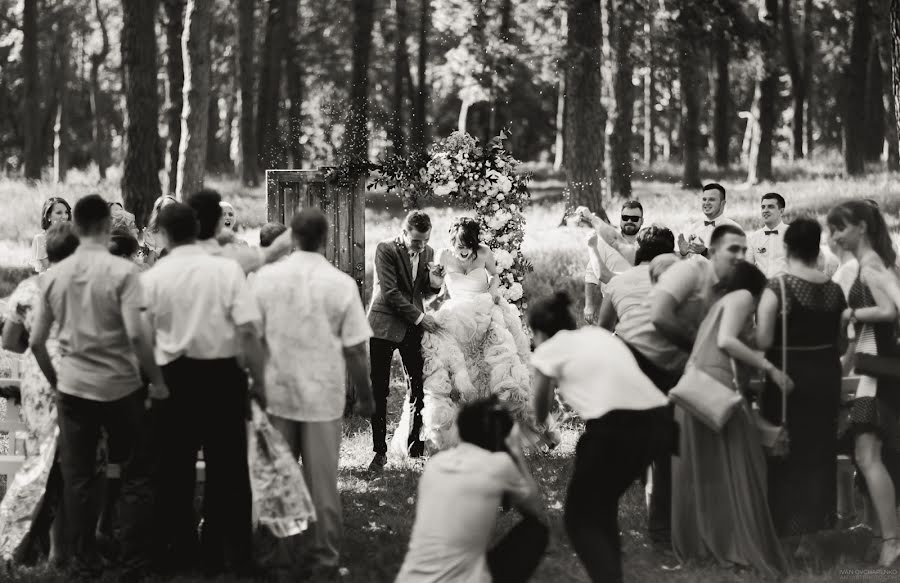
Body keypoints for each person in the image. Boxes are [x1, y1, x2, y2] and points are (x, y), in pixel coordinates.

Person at [29, 194, 165, 580]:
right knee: (138, 469)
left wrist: (58, 383)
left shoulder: (53, 276)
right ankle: (133, 554)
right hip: (122, 387)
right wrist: (156, 381)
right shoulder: (125, 273)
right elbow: (139, 336)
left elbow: (38, 341)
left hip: (73, 389)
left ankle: (82, 558)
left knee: (80, 475)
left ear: (76, 227)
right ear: (107, 227)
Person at [141, 202, 264, 576]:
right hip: (222, 378)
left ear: (163, 234)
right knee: (228, 472)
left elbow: (140, 335)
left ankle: (176, 551)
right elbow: (248, 331)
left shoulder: (155, 276)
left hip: (174, 378)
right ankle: (227, 553)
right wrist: (257, 381)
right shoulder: (226, 270)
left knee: (172, 470)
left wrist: (156, 381)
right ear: (196, 230)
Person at [252, 208, 375, 577]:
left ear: (292, 236)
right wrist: (366, 396)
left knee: (277, 478)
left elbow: (251, 336)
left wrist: (256, 383)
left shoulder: (266, 279)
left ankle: (277, 555)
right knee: (323, 484)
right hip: (322, 395)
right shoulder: (340, 284)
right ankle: (323, 558)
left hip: (276, 391)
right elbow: (355, 349)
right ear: (325, 237)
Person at [529, 292, 671, 583]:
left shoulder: (549, 348)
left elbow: (539, 409)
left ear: (539, 332)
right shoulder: (599, 335)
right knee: (601, 504)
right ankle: (612, 572)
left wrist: (548, 420)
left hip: (613, 428)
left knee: (579, 518)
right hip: (658, 422)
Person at [392, 217, 558, 456]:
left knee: (499, 372)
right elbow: (434, 288)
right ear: (452, 243)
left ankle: (511, 434)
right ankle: (453, 437)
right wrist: (436, 282)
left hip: (485, 315)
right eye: (459, 246)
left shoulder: (485, 253)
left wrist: (490, 295)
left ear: (474, 243)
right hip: (457, 318)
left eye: (467, 246)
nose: (463, 251)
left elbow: (495, 276)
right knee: (453, 373)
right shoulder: (443, 256)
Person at [671, 262, 790, 578]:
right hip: (716, 387)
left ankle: (705, 541)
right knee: (742, 465)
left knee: (708, 469)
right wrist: (771, 369)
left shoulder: (720, 303)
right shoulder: (742, 297)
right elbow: (726, 341)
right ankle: (735, 541)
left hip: (699, 385)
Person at [755, 218, 848, 547]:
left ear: (787, 246)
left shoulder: (778, 287)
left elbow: (763, 338)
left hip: (788, 378)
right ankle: (814, 531)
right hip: (825, 376)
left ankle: (784, 534)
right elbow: (842, 344)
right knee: (819, 450)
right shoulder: (834, 289)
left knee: (784, 449)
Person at [396, 397, 548, 583]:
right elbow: (534, 508)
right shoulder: (499, 465)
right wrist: (515, 450)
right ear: (501, 437)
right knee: (535, 531)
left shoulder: (435, 464)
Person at [0, 222, 79, 564]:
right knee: (69, 467)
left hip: (36, 380)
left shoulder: (30, 287)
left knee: (37, 464)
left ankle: (14, 547)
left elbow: (9, 341)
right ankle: (59, 552)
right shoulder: (81, 287)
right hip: (76, 378)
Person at [827, 200, 900, 567]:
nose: (836, 235)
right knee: (873, 455)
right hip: (873, 369)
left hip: (881, 374)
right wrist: (845, 360)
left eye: (840, 227)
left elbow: (891, 310)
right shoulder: (871, 263)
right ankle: (884, 535)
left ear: (860, 227)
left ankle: (890, 540)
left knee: (867, 455)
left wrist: (849, 312)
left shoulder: (871, 266)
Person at [595, 225, 678, 546]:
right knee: (665, 449)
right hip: (670, 362)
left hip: (630, 365)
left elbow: (603, 330)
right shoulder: (676, 277)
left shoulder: (618, 281)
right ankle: (660, 531)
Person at [368, 210, 443, 470]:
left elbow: (421, 293)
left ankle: (414, 449)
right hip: (384, 326)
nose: (421, 246)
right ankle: (379, 451)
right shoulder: (385, 249)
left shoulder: (429, 252)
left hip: (411, 328)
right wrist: (421, 319)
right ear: (404, 232)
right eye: (416, 241)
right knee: (380, 389)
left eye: (425, 240)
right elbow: (390, 293)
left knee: (418, 388)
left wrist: (435, 284)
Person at [650, 224, 748, 353]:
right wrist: (698, 346)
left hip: (671, 364)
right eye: (733, 249)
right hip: (638, 354)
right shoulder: (691, 270)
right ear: (713, 252)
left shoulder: (728, 289)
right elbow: (659, 316)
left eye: (744, 251)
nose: (740, 256)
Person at [187, 189, 292, 275]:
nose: (227, 218)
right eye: (223, 215)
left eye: (231, 214)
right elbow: (269, 253)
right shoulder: (236, 257)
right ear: (218, 223)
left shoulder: (178, 257)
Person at [583, 201, 643, 324]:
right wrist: (589, 305)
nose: (629, 221)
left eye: (635, 218)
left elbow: (603, 275)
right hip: (612, 304)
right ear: (620, 219)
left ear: (642, 220)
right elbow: (591, 274)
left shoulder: (647, 243)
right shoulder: (604, 242)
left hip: (640, 305)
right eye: (625, 217)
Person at [678, 183, 742, 257]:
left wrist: (705, 252)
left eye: (711, 199)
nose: (706, 203)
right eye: (704, 199)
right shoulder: (693, 227)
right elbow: (685, 261)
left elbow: (732, 260)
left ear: (723, 204)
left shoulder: (733, 229)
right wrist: (683, 253)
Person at [746, 192, 789, 278]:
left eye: (770, 207)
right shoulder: (753, 238)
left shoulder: (793, 233)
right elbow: (748, 268)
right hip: (761, 288)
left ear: (781, 211)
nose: (765, 210)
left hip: (787, 286)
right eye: (763, 207)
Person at [31, 197, 71, 273]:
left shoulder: (72, 237)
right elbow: (48, 266)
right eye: (59, 213)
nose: (64, 216)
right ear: (48, 216)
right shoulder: (40, 239)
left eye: (66, 212)